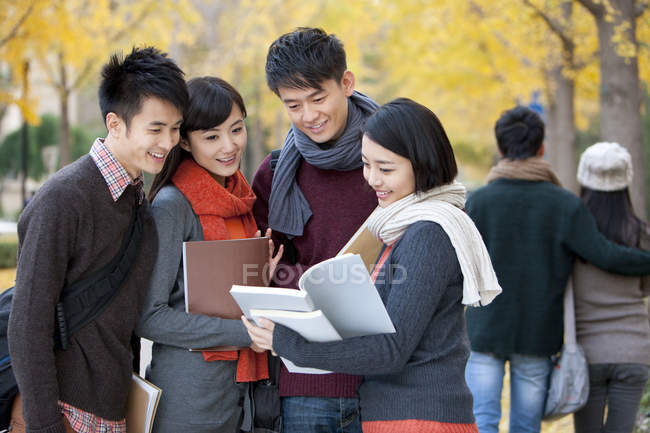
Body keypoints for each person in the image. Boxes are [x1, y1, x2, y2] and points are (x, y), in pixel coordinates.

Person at [244, 97, 503, 433]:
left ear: (422, 164)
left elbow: (391, 350)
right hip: (399, 415)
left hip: (421, 417)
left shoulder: (429, 232)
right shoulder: (401, 226)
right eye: (367, 164)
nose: (373, 179)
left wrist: (287, 342)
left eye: (386, 168)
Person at [7, 47, 188, 433]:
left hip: (113, 411)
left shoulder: (137, 200)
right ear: (115, 123)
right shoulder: (63, 198)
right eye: (155, 128)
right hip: (63, 412)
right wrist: (45, 426)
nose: (168, 141)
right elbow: (27, 326)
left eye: (175, 128)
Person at [464, 106, 650, 433]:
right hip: (539, 335)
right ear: (541, 148)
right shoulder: (564, 204)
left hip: (484, 331)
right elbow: (605, 254)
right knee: (526, 426)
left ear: (499, 149)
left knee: (482, 423)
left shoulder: (478, 202)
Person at [136, 76, 282, 433]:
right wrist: (245, 333)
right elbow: (149, 317)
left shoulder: (240, 200)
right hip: (190, 398)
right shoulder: (174, 205)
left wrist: (261, 277)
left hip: (239, 395)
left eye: (236, 129)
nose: (229, 146)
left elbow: (224, 295)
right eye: (212, 136)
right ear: (185, 140)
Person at [251, 27, 379, 433]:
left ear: (346, 83)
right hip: (305, 380)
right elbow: (260, 272)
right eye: (293, 105)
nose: (309, 115)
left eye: (318, 98)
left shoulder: (393, 162)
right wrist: (287, 278)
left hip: (385, 376)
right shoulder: (274, 173)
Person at [572, 142, 650, 433]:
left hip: (586, 353)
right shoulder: (641, 234)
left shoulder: (575, 235)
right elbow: (644, 288)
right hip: (634, 350)